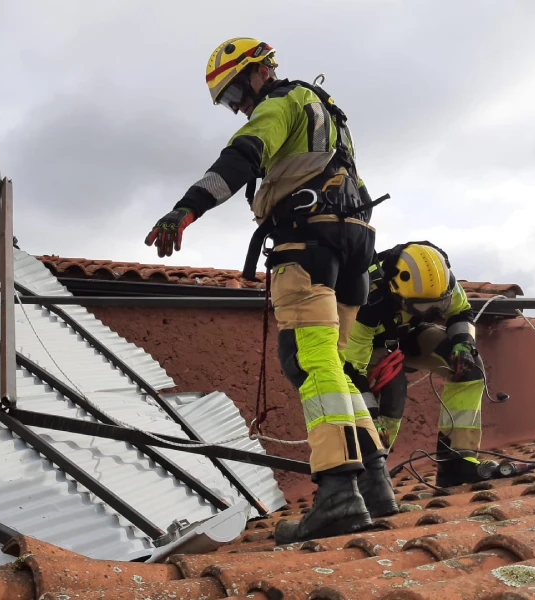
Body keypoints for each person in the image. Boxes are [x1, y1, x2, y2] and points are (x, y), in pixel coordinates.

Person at [144, 37, 398, 544]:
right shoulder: (326, 110)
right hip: (354, 248)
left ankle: (337, 494)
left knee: (310, 362)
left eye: (235, 92)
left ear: (257, 73)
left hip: (309, 243)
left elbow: (242, 156)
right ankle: (372, 481)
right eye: (227, 101)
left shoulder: (281, 103)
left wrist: (185, 209)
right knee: (336, 365)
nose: (237, 106)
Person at [341, 241, 488, 488]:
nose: (431, 312)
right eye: (422, 306)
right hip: (370, 342)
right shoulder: (368, 299)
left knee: (469, 368)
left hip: (409, 333)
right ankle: (372, 474)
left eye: (437, 306)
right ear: (396, 291)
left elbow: (461, 313)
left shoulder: (443, 284)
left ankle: (458, 462)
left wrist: (463, 343)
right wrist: (370, 416)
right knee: (391, 392)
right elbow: (351, 370)